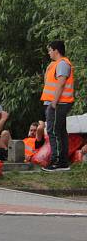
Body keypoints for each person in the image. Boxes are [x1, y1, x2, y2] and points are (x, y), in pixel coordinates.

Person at [41, 40, 75, 171]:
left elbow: (61, 84)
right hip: (56, 103)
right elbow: (47, 82)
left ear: (56, 50)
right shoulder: (56, 65)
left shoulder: (62, 64)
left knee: (54, 131)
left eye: (50, 50)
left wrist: (54, 103)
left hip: (58, 103)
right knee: (60, 131)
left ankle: (57, 162)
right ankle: (63, 161)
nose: (49, 53)